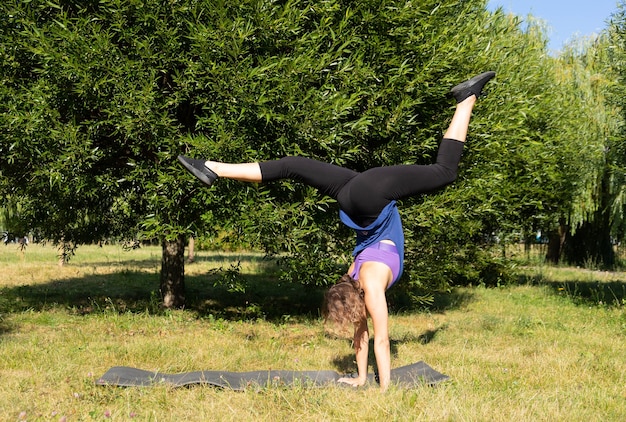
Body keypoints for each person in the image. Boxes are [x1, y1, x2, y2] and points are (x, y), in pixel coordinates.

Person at [178, 71, 496, 390]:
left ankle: (466, 98)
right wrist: (361, 379)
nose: (360, 319)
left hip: (370, 195)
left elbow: (381, 340)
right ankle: (215, 168)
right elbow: (366, 338)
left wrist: (384, 390)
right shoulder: (353, 277)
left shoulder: (368, 286)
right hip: (351, 195)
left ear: (353, 298)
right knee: (293, 166)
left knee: (443, 172)